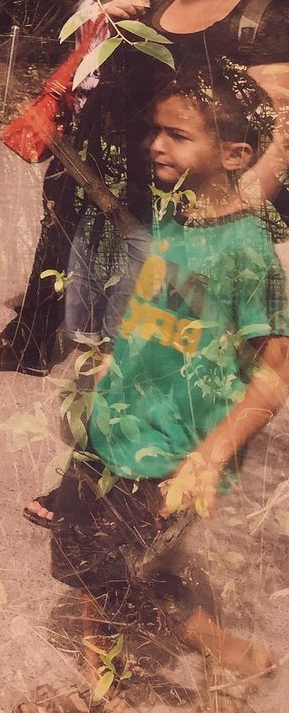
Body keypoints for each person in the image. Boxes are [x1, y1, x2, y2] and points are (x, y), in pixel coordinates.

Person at [20, 74, 289, 712]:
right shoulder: (173, 216)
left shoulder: (248, 250)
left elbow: (275, 373)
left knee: (119, 573)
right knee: (92, 560)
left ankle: (239, 658)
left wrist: (209, 457)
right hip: (116, 428)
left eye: (178, 135)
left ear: (234, 154)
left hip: (175, 447)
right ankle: (102, 686)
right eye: (153, 131)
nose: (156, 146)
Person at [0, 0, 199, 378]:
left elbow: (180, 46)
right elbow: (92, 20)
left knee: (121, 229)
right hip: (93, 108)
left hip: (131, 122)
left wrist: (142, 15)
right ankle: (37, 340)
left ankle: (116, 350)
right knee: (68, 221)